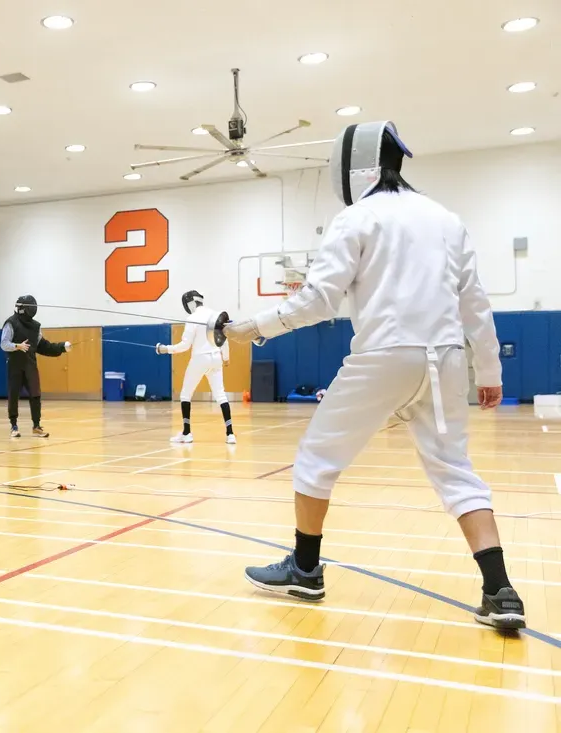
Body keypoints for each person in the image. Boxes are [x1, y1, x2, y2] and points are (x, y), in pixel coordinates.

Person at [224, 120, 525, 630]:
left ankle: (304, 567)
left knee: (317, 459)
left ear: (351, 165)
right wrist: (489, 370)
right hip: (447, 359)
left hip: (384, 356)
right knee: (456, 472)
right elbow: (475, 302)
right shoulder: (447, 219)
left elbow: (321, 298)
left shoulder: (356, 217)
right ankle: (500, 590)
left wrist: (255, 327)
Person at [156, 289, 236, 444]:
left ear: (190, 303)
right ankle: (230, 434)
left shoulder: (192, 318)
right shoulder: (215, 315)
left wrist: (165, 349)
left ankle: (187, 433)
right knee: (221, 395)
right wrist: (226, 358)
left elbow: (185, 346)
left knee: (185, 395)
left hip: (200, 359)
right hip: (216, 359)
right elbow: (223, 339)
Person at [0, 295, 71, 438]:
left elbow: (44, 346)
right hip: (15, 366)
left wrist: (62, 347)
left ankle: (36, 426)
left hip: (30, 366)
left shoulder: (35, 327)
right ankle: (14, 426)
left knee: (35, 395)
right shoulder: (11, 323)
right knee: (14, 395)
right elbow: (3, 344)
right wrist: (17, 346)